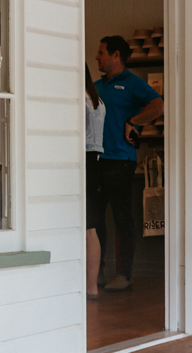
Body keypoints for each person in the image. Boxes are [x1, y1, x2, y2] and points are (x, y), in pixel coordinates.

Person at [94, 35, 164, 292]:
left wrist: (133, 121)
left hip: (121, 161)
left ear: (116, 56)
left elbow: (158, 106)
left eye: (101, 53)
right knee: (95, 218)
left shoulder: (133, 83)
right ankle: (97, 271)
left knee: (123, 219)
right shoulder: (96, 85)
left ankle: (124, 275)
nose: (97, 57)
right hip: (96, 161)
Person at [85, 65, 106, 299]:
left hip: (82, 160)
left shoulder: (78, 99)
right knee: (91, 228)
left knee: (88, 227)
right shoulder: (98, 101)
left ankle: (89, 286)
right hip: (96, 161)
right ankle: (92, 286)